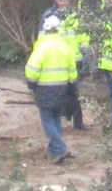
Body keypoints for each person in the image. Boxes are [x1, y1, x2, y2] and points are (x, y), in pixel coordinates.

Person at [25, 14, 77, 165]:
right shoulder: (66, 48)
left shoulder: (41, 48)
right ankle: (54, 151)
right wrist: (72, 87)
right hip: (62, 89)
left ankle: (60, 148)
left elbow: (31, 71)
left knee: (47, 120)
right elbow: (72, 72)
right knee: (56, 119)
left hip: (45, 89)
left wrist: (31, 85)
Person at [54, 0, 92, 132]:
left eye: (65, 0)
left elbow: (84, 35)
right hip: (59, 60)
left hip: (75, 60)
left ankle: (78, 121)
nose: (63, 3)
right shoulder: (53, 17)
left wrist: (84, 50)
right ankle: (60, 119)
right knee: (60, 92)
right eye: (60, 0)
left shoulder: (77, 17)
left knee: (74, 92)